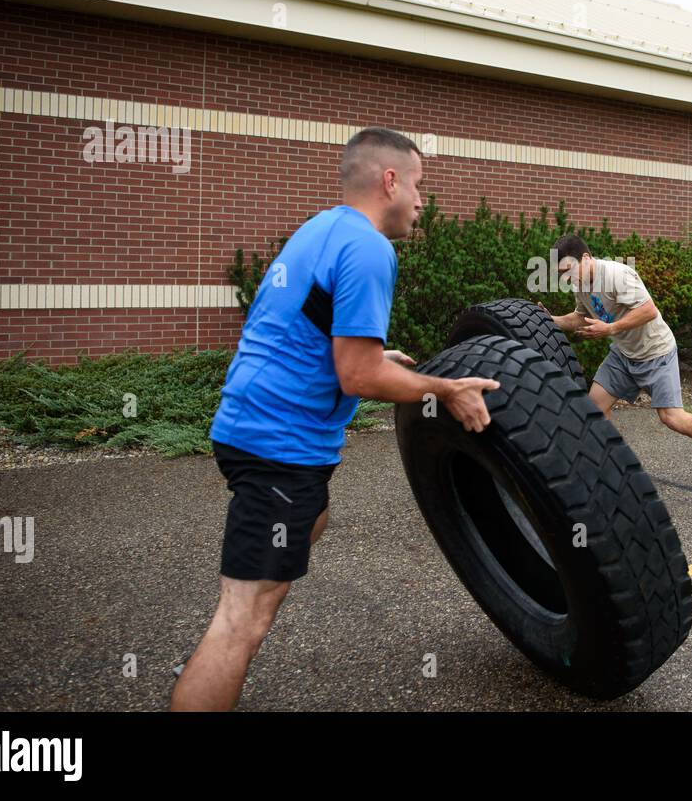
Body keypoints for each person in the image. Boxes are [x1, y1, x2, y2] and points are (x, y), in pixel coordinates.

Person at [171, 127, 499, 711]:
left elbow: (323, 338)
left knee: (313, 517)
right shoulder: (373, 248)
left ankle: (237, 618)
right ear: (390, 180)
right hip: (278, 447)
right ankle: (212, 667)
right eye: (419, 185)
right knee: (242, 623)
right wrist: (444, 389)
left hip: (250, 428)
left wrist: (381, 362)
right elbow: (359, 376)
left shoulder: (320, 229)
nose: (423, 202)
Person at [542, 235, 692, 495]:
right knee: (594, 407)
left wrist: (611, 328)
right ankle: (616, 469)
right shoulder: (581, 284)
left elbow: (649, 310)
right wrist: (551, 320)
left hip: (655, 353)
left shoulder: (618, 275)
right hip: (623, 353)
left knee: (671, 418)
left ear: (585, 258)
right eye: (561, 273)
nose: (566, 277)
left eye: (567, 270)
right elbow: (580, 317)